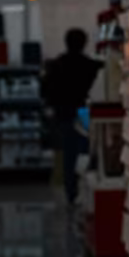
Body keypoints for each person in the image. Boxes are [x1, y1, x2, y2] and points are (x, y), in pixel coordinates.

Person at [42, 28, 103, 204]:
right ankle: (86, 190)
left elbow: (46, 90)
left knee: (68, 154)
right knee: (86, 150)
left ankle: (71, 192)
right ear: (84, 43)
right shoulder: (91, 65)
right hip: (83, 110)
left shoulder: (56, 64)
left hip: (63, 113)